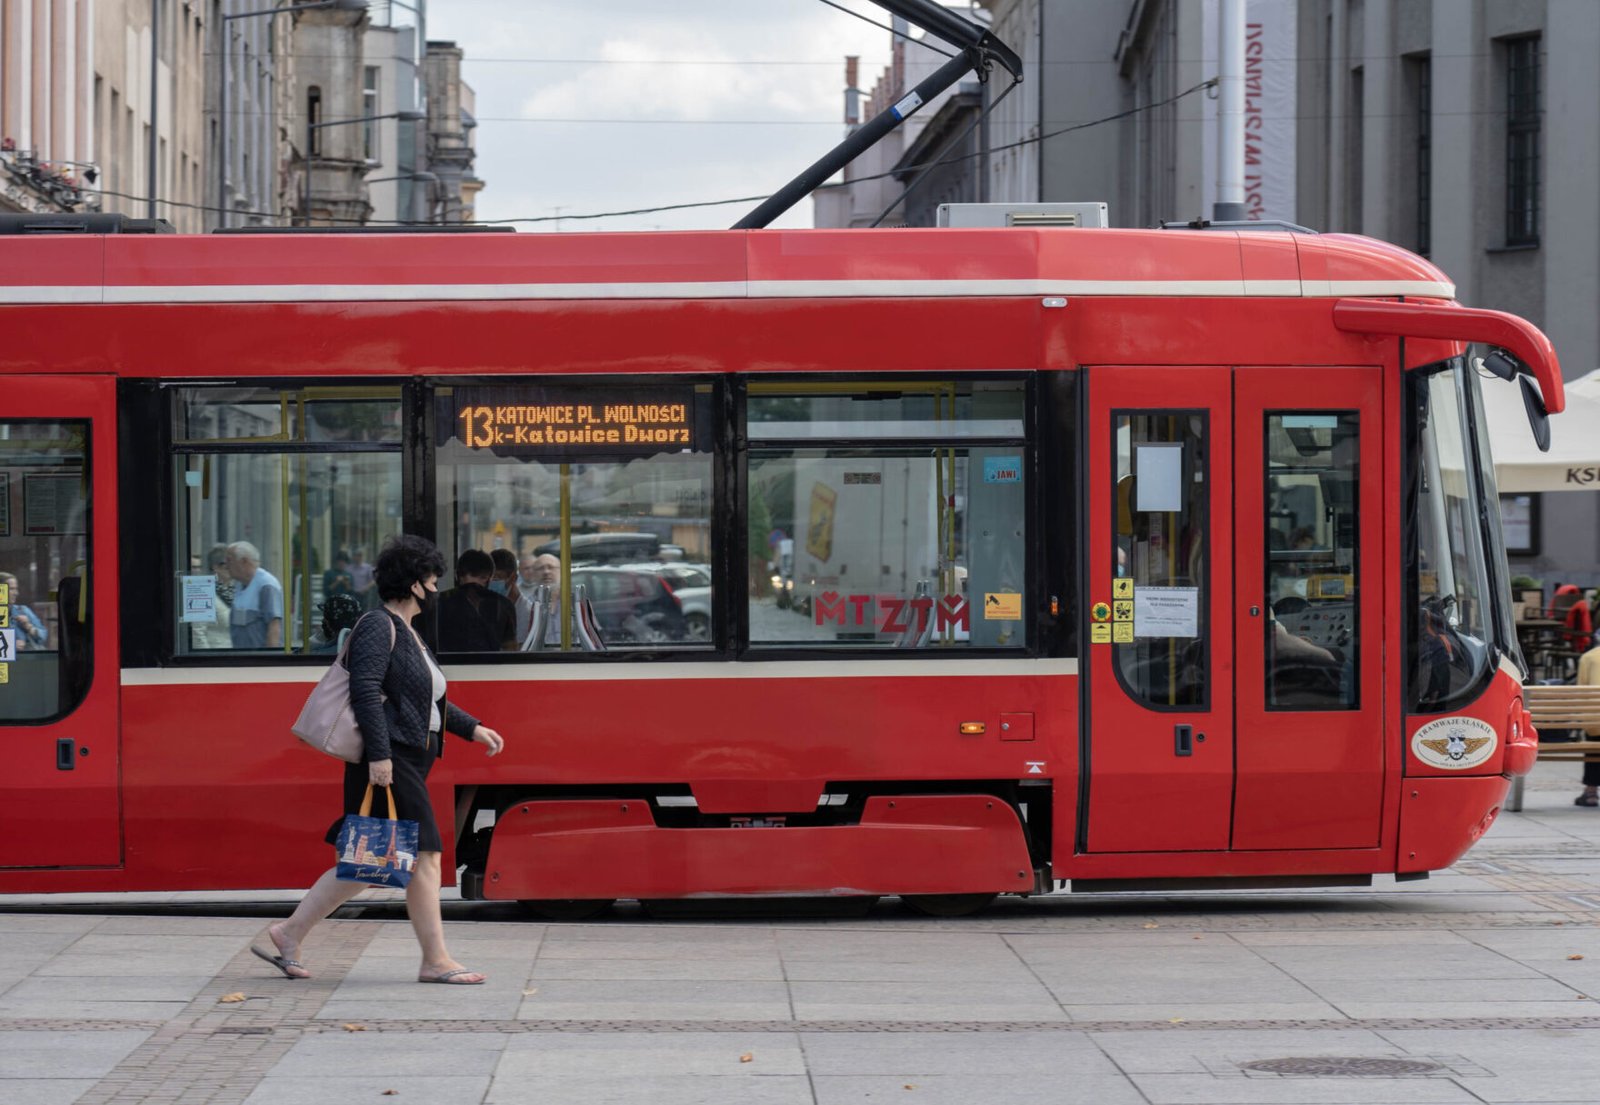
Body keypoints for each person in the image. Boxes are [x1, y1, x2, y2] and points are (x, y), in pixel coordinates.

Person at [252, 535, 507, 984]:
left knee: (370, 861)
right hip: (391, 760)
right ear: (414, 583)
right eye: (432, 580)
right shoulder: (378, 625)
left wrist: (472, 728)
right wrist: (380, 756)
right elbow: (365, 690)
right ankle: (436, 960)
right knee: (425, 854)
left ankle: (288, 933)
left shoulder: (409, 633)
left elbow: (425, 699)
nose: (436, 588)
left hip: (404, 758)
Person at [437, 548, 517, 652]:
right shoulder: (504, 605)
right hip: (491, 662)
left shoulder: (440, 602)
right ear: (489, 578)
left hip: (445, 662)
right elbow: (510, 649)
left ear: (457, 576)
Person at [224, 542, 283, 649]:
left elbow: (274, 627)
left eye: (229, 561)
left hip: (259, 656)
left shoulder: (266, 585)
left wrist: (271, 656)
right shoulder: (239, 585)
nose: (226, 566)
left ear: (244, 561)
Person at [516, 553, 561, 644]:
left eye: (551, 567)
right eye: (541, 568)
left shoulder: (576, 603)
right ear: (534, 574)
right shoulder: (526, 606)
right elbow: (521, 642)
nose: (546, 572)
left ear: (561, 572)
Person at [0, 572, 48, 651]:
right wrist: (11, 646)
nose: (16, 593)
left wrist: (29, 627)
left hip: (27, 657)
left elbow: (43, 636)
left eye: (16, 589)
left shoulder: (23, 611)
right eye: (11, 589)